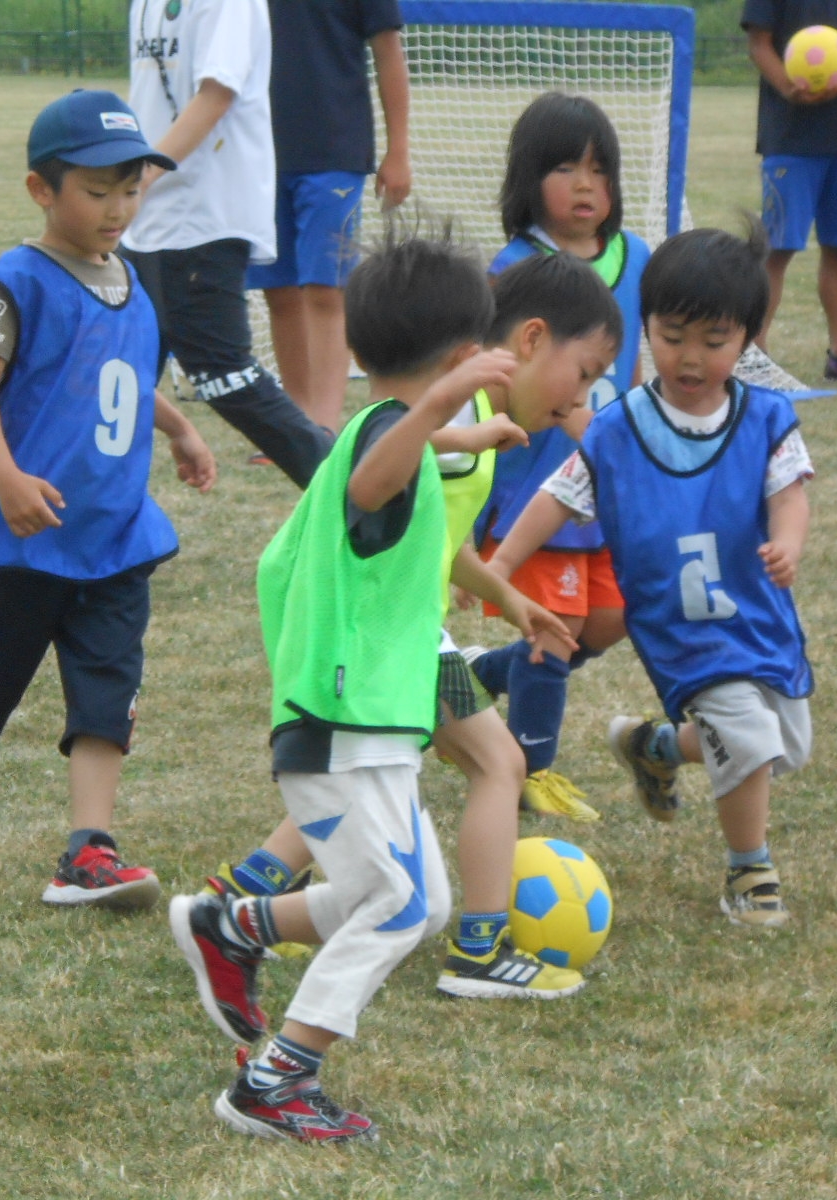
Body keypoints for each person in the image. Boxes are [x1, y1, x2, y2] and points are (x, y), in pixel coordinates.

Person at [169, 228, 524, 1144]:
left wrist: (463, 424)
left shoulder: (398, 429)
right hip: (339, 723)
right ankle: (276, 1080)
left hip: (375, 727)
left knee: (420, 900)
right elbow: (375, 481)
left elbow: (404, 450)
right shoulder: (376, 441)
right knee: (397, 903)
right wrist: (451, 402)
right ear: (456, 360)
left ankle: (235, 926)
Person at [193, 253, 622, 999]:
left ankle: (244, 895)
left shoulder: (465, 419)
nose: (584, 395)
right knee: (495, 764)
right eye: (583, 372)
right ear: (527, 341)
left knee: (377, 780)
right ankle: (480, 949)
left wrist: (505, 594)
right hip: (376, 633)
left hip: (387, 626)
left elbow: (430, 528)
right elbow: (380, 477)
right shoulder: (457, 404)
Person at [0, 90, 217, 908]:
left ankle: (88, 848)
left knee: (107, 691)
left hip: (117, 536)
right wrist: (7, 478)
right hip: (25, 540)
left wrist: (176, 429)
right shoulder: (14, 282)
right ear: (42, 191)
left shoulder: (130, 281)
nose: (117, 208)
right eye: (97, 191)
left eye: (130, 189)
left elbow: (122, 379)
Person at [487, 222, 813, 929]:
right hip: (680, 627)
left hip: (758, 615)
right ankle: (748, 870)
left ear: (749, 338)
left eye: (714, 341)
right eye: (672, 336)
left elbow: (790, 492)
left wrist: (787, 543)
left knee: (785, 743)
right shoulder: (620, 426)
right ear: (647, 325)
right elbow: (558, 497)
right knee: (748, 742)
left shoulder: (766, 417)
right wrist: (504, 565)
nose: (690, 357)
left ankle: (656, 747)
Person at [467, 93, 654, 824]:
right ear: (527, 178)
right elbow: (488, 371)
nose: (586, 185)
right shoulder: (514, 267)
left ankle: (469, 678)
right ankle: (529, 766)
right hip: (534, 487)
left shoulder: (636, 256)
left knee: (608, 618)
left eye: (600, 170)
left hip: (609, 486)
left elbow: (639, 359)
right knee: (554, 625)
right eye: (566, 167)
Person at [124, 0, 333, 487]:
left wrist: (146, 172)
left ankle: (361, 500)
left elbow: (216, 95)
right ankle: (92, 524)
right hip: (145, 218)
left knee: (224, 374)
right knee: (117, 366)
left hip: (204, 215)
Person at [244, 0, 412, 435]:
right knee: (278, 291)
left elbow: (389, 51)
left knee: (324, 289)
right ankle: (296, 423)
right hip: (259, 153)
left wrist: (399, 151)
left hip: (335, 151)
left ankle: (322, 427)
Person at [743, 0, 837, 385]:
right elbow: (759, 43)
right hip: (791, 140)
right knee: (777, 247)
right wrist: (788, 88)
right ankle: (752, 355)